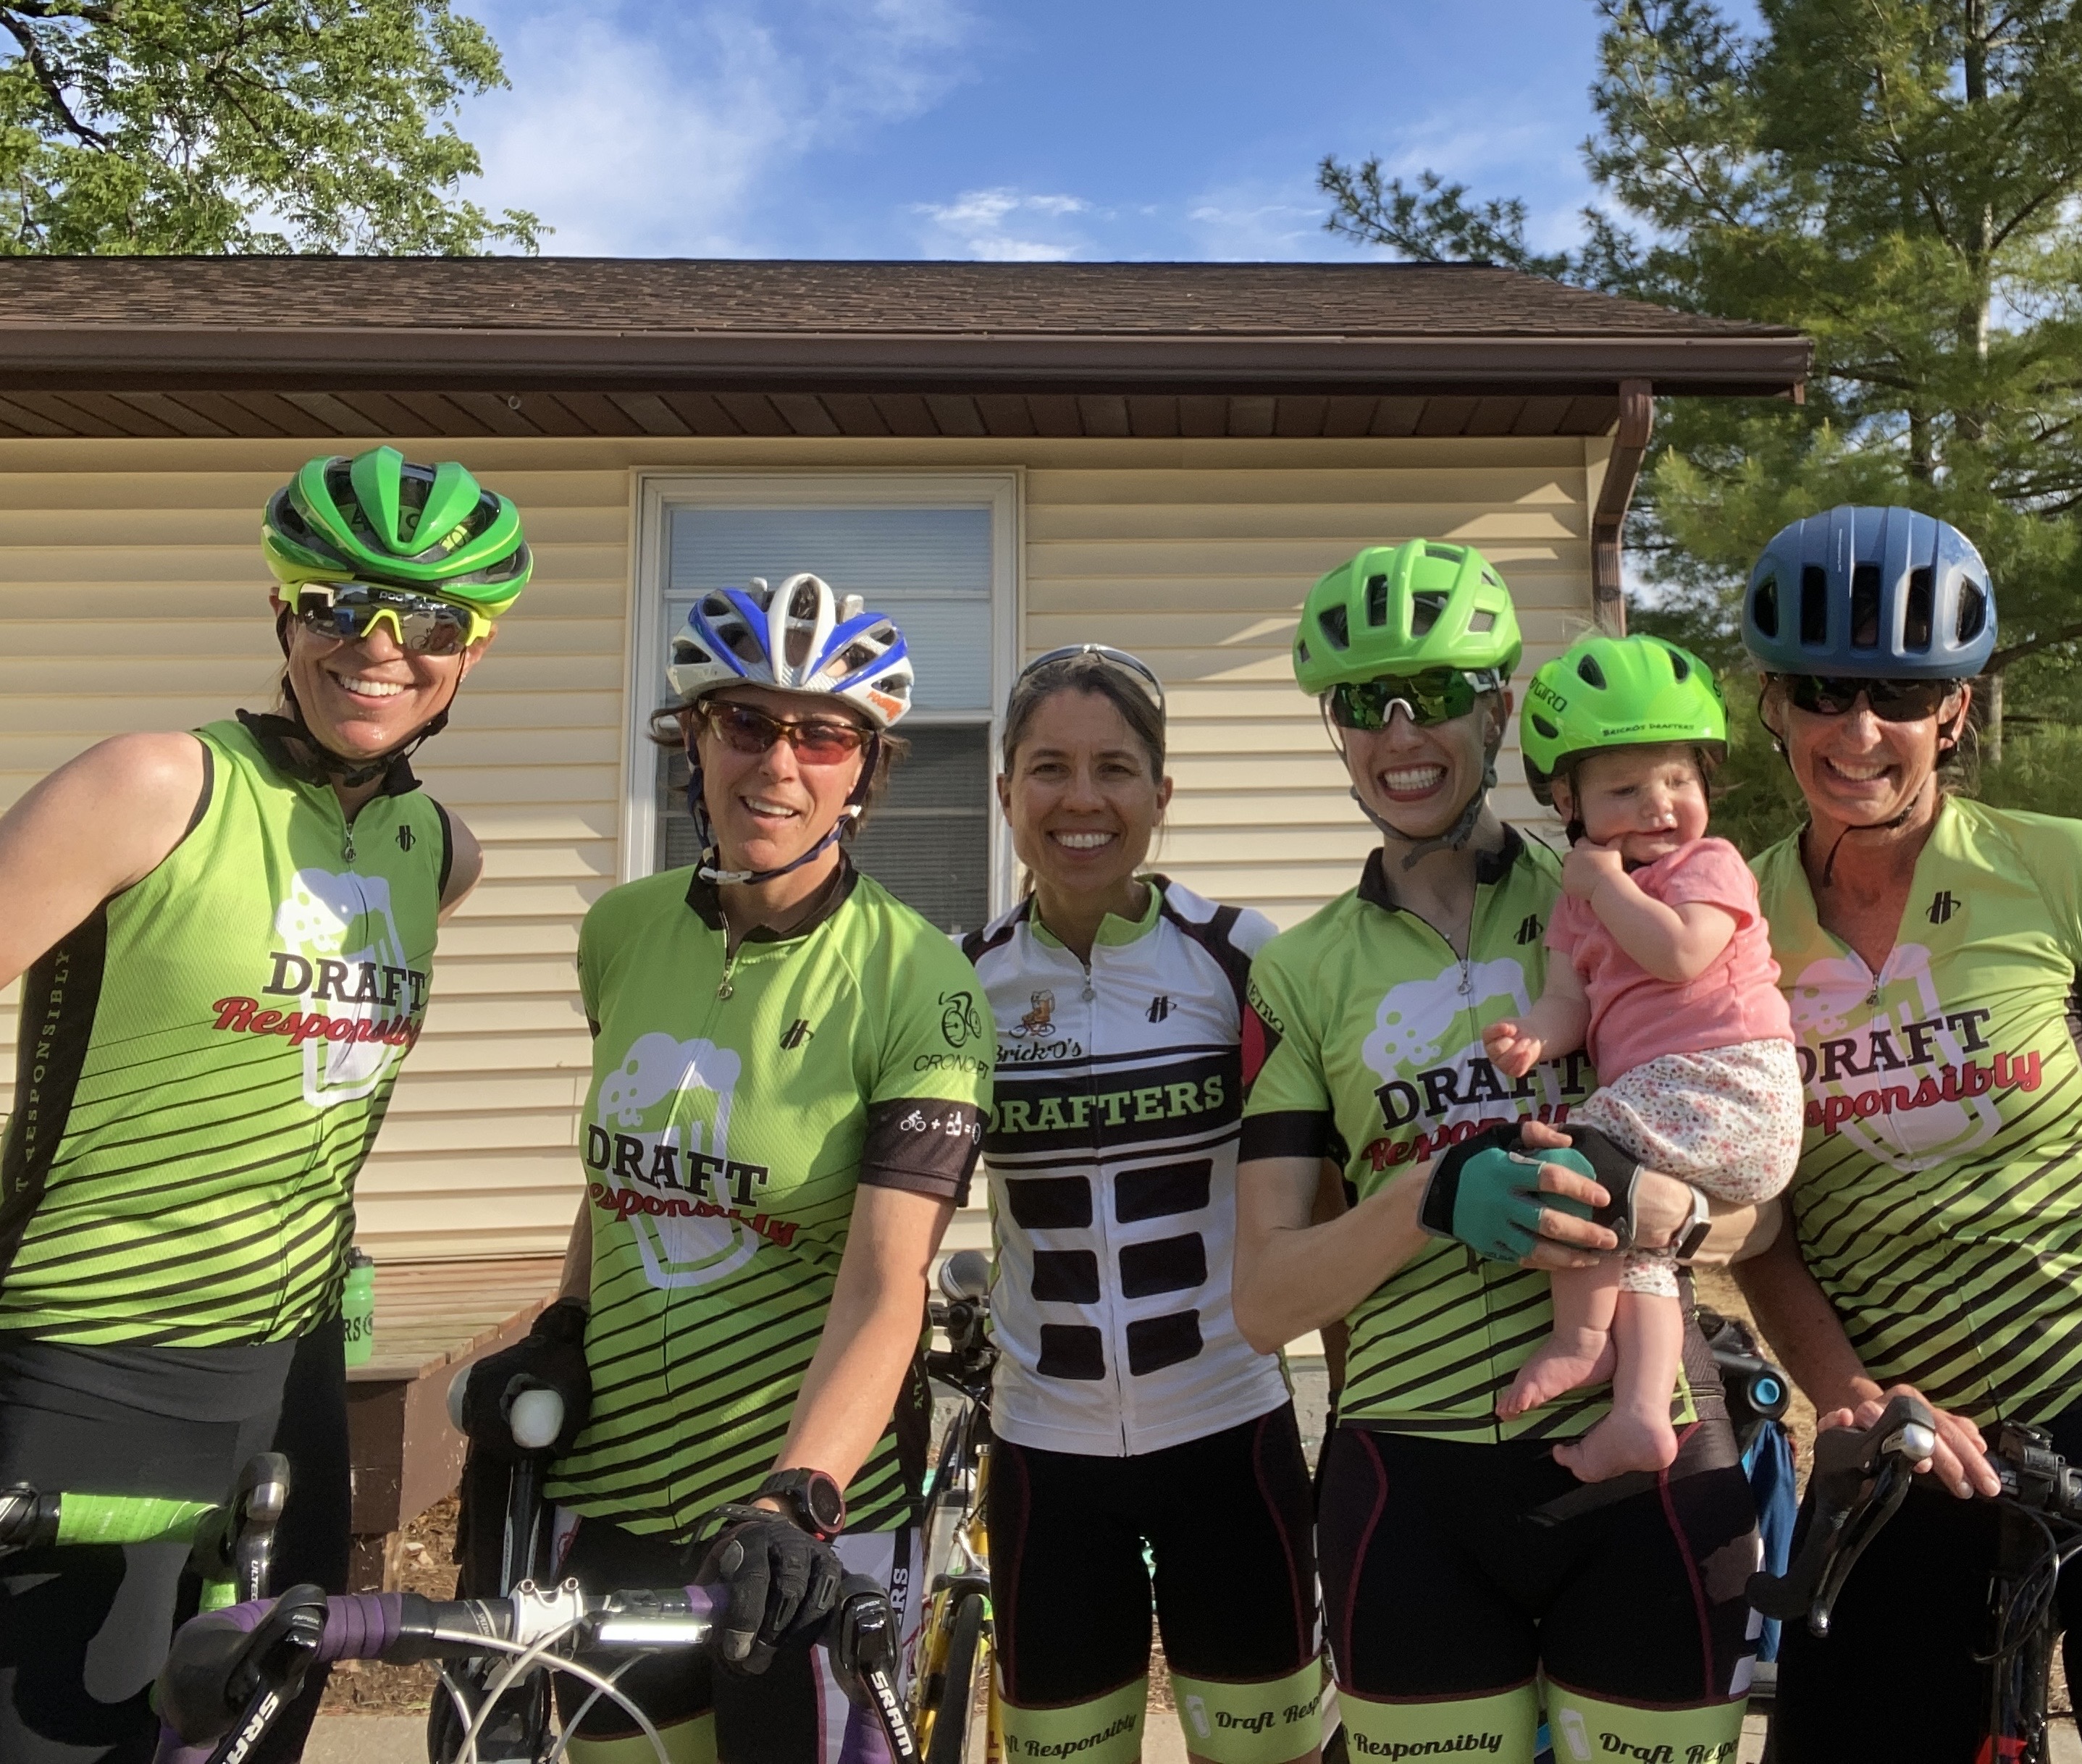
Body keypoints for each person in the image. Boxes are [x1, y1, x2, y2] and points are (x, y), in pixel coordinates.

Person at [1730, 505, 2082, 1763]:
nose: (1858, 731)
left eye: (1899, 693)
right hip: (1912, 1443)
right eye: (1824, 690)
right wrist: (1849, 1397)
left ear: (1955, 709)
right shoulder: (1733, 921)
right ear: (1772, 702)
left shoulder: (2067, 870)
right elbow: (1763, 1231)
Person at [0, 447, 523, 1763]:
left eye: (431, 621)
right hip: (91, 1351)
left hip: (289, 1376)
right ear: (284, 611)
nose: (380, 646)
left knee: (255, 1735)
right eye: (339, 603)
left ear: (472, 653)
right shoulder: (156, 785)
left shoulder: (437, 854)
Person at [1233, 540, 1768, 1764]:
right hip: (1410, 1483)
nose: (1400, 732)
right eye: (1363, 702)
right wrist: (1427, 1195)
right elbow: (1265, 1301)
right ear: (1335, 729)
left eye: (1433, 692)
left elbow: (1763, 1194)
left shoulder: (1633, 891)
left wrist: (1667, 1213)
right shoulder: (1299, 974)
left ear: (1498, 707)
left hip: (1647, 1456)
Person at [462, 572, 996, 1764]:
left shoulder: (918, 982)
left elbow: (887, 1283)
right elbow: (629, 1174)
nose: (779, 764)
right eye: (746, 722)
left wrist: (796, 1493)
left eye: (824, 736)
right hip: (612, 1495)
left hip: (800, 1526)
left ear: (865, 771)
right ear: (693, 739)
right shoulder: (621, 932)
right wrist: (565, 1319)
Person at [962, 645, 1319, 1764]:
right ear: (1006, 791)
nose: (1082, 799)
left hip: (1229, 1430)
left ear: (1162, 795)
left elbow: (1326, 1202)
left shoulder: (1244, 959)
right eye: (1049, 768)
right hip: (1045, 1450)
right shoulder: (959, 983)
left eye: (1114, 768)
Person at [1480, 633, 1801, 1482]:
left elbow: (1681, 955)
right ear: (1567, 800)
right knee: (1639, 1250)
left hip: (1730, 1085)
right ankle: (1640, 1414)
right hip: (1681, 1101)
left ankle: (1582, 1338)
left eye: (1678, 782)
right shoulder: (1579, 905)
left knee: (1575, 1161)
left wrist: (1606, 884)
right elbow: (1571, 1003)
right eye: (1624, 789)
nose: (1659, 806)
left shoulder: (1708, 864)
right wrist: (1534, 1035)